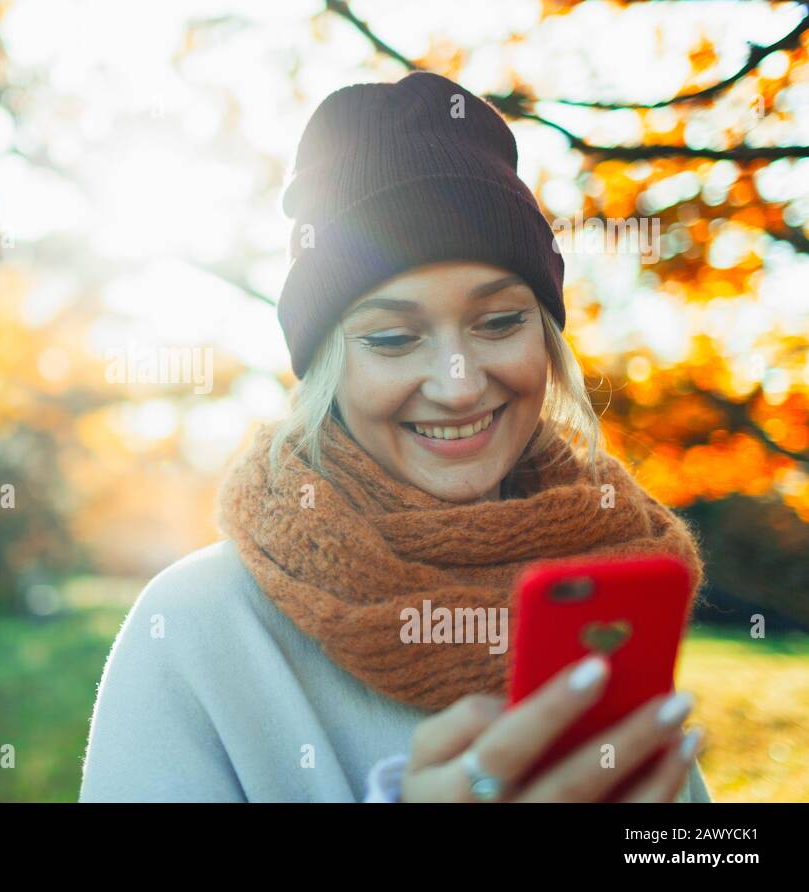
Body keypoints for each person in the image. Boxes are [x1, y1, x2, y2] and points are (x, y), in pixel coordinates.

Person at [78, 71, 711, 802]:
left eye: (500, 322)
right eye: (391, 336)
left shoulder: (603, 602)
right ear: (327, 369)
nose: (459, 383)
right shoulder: (197, 627)